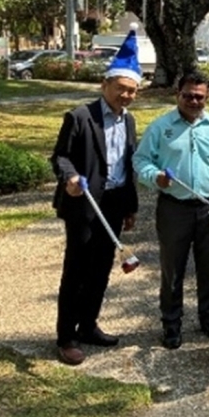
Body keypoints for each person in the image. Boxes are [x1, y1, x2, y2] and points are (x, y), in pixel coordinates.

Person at [49, 31, 142, 365]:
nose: (126, 95)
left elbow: (127, 165)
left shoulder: (129, 120)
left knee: (101, 269)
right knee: (76, 270)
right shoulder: (80, 116)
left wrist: (130, 207)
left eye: (132, 91)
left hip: (114, 204)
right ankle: (66, 337)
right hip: (83, 203)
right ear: (105, 85)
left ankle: (88, 325)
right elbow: (60, 157)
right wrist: (70, 178)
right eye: (121, 88)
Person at [133, 69, 209, 350]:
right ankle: (171, 323)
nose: (194, 101)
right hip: (174, 208)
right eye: (188, 96)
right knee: (172, 268)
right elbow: (141, 160)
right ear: (177, 94)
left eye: (199, 97)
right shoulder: (160, 127)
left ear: (208, 96)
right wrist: (155, 176)